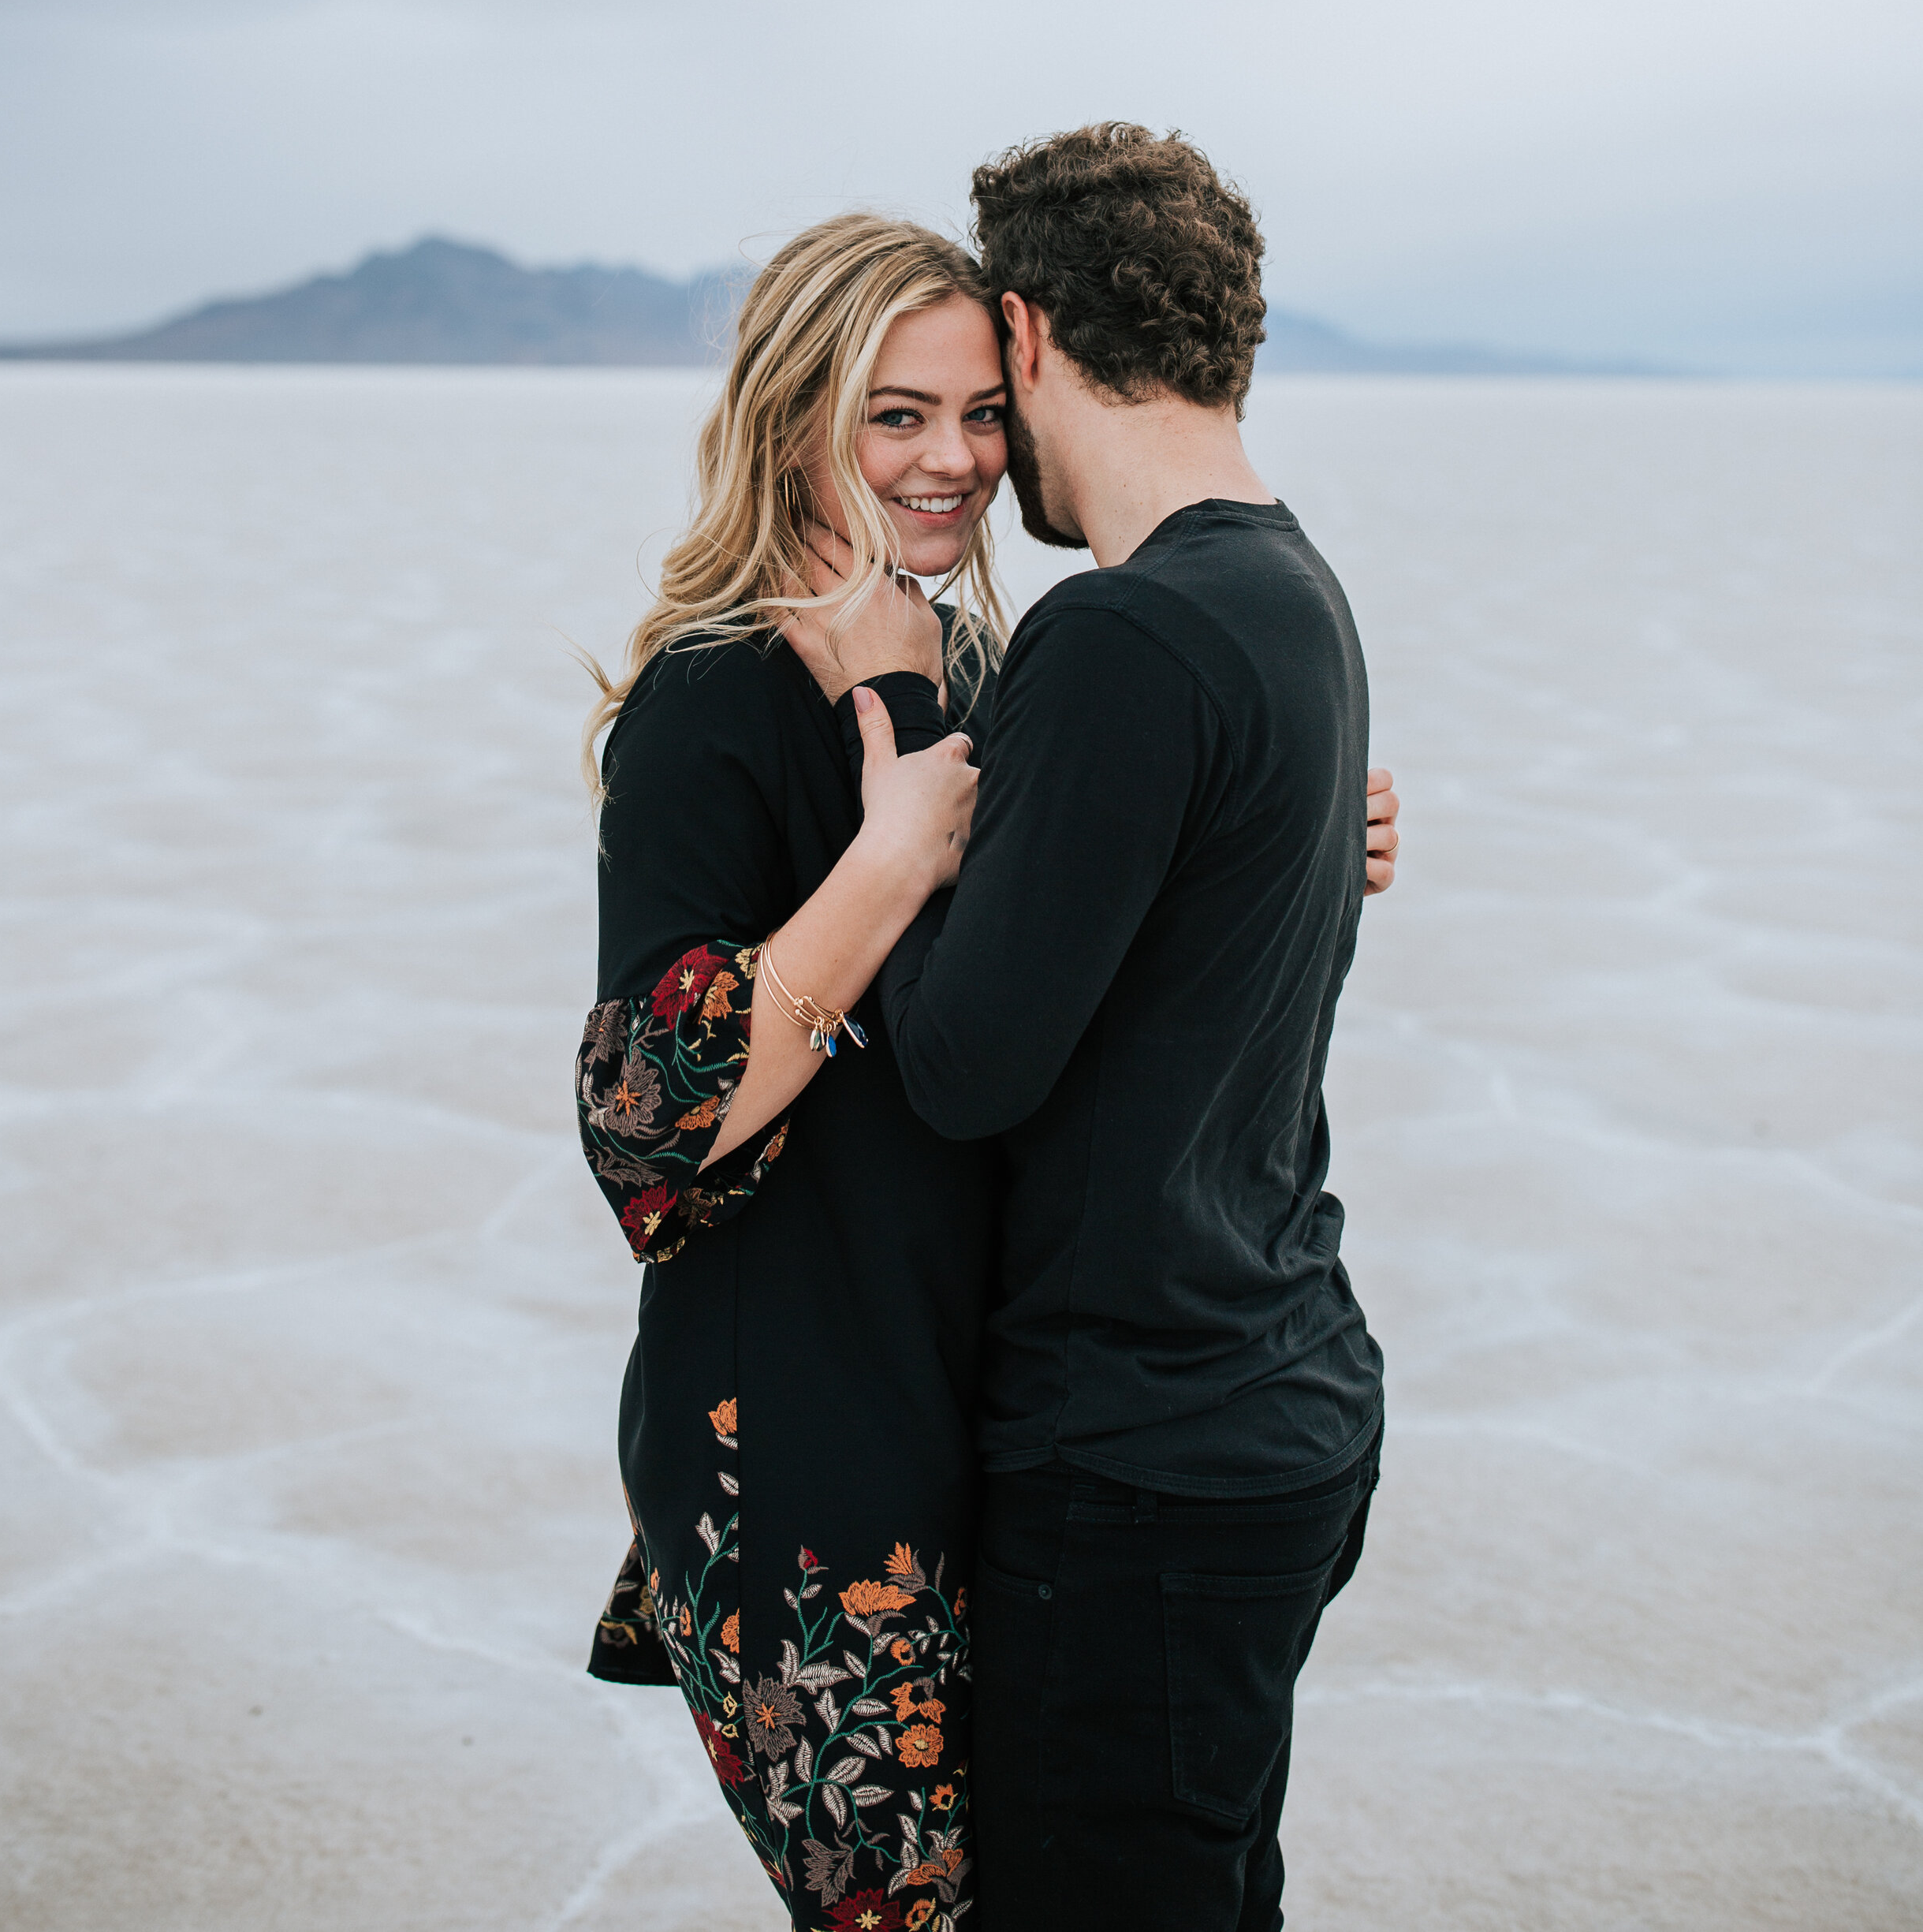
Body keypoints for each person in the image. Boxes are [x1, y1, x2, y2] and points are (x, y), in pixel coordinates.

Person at [576, 195, 1399, 1929]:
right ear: (788, 418)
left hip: (975, 1415)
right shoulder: (714, 701)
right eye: (894, 415)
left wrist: (1284, 833)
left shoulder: (977, 658)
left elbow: (1052, 1000)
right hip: (804, 1440)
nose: (949, 461)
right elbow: (643, 1124)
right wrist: (885, 857)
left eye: (975, 412)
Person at [880, 124, 1385, 1932]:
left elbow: (960, 1070)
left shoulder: (1121, 637)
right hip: (1276, 1388)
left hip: (1140, 1454)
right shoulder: (1292, 590)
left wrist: (901, 851)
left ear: (1022, 334)